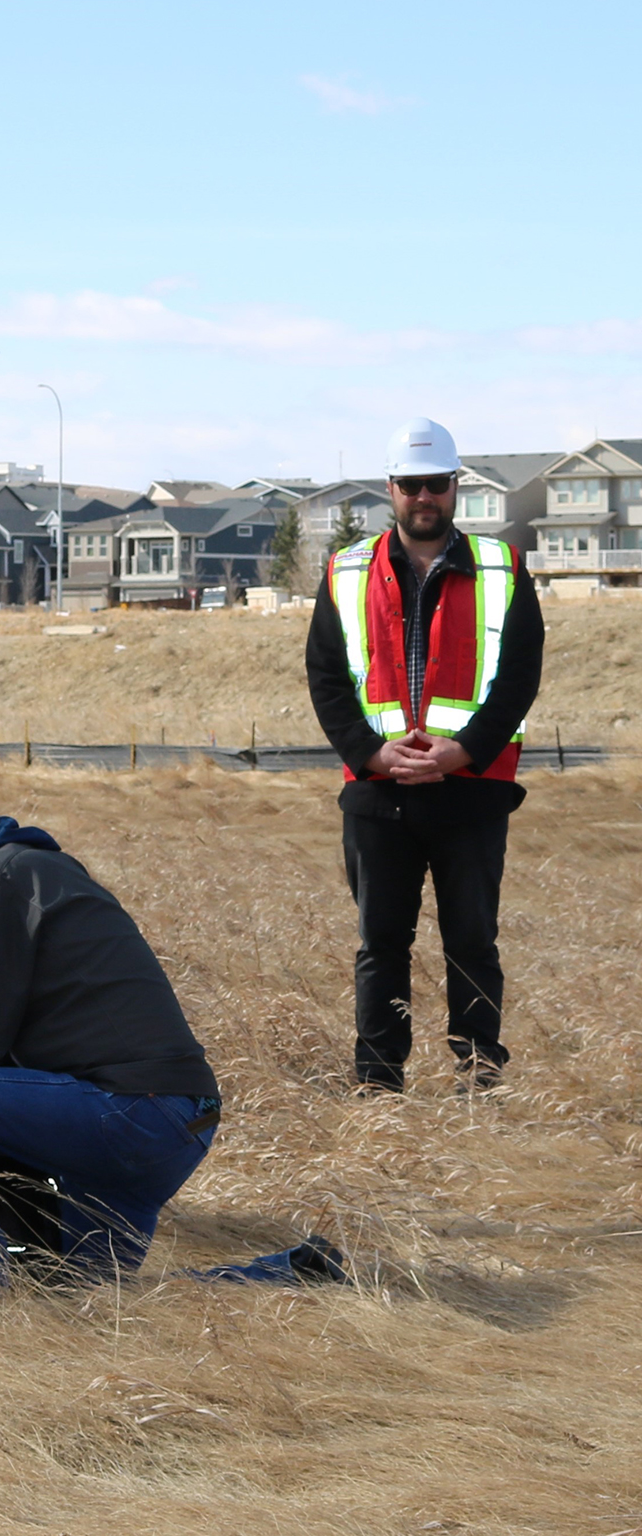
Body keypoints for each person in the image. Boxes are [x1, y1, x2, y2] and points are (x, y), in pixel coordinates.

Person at [0, 783, 222, 1295]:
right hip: (177, 1119)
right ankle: (298, 1269)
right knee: (78, 1298)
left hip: (132, 1113)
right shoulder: (27, 868)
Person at [306, 417, 543, 1094]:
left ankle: (479, 1079)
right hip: (379, 794)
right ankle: (379, 1083)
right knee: (380, 947)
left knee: (472, 945)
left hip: (472, 792)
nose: (423, 498)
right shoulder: (346, 571)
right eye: (411, 485)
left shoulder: (504, 569)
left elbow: (520, 675)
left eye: (436, 484)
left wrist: (462, 751)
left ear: (454, 487)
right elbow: (325, 676)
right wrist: (370, 754)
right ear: (392, 489)